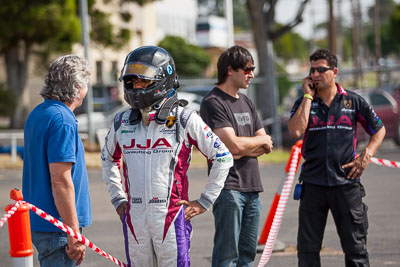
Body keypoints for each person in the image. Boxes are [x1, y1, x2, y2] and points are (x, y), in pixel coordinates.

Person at [101, 46, 233, 267]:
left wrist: (204, 201)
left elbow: (222, 157)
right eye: (131, 81)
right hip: (135, 220)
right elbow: (108, 160)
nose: (135, 86)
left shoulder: (184, 118)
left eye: (142, 80)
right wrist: (118, 198)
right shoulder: (121, 122)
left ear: (161, 79)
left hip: (171, 217)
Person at [288, 49, 386, 267]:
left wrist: (366, 154)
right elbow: (295, 131)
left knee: (356, 250)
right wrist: (306, 96)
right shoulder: (305, 101)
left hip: (346, 184)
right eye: (312, 70)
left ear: (334, 72)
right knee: (307, 251)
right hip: (313, 184)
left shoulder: (353, 101)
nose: (315, 74)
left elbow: (379, 130)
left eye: (321, 70)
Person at [200, 45, 273, 267]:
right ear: (230, 70)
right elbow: (233, 146)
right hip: (229, 189)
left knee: (247, 257)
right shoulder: (213, 102)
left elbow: (267, 144)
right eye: (247, 69)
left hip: (253, 189)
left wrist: (245, 146)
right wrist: (247, 146)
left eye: (253, 69)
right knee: (227, 257)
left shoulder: (247, 101)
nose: (251, 74)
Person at [22, 55, 92, 266]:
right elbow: (60, 181)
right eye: (87, 83)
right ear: (78, 86)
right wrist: (72, 231)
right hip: (57, 225)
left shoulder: (39, 113)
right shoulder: (63, 120)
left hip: (41, 221)